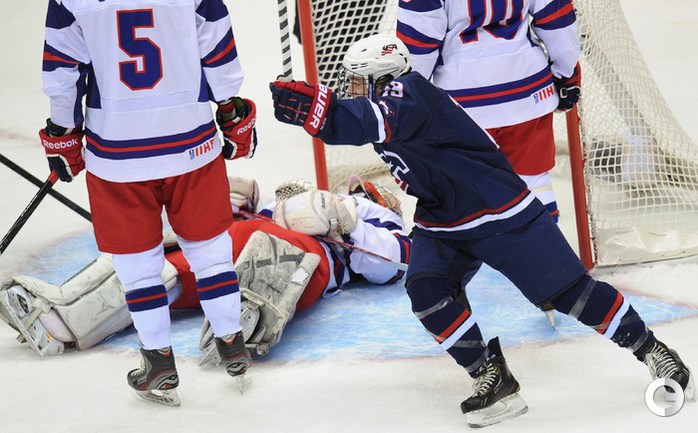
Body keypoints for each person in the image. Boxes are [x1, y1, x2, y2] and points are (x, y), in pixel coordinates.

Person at [268, 34, 694, 427]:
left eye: (359, 81)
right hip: (443, 218)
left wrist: (322, 110)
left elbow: (362, 120)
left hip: (497, 209)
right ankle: (492, 377)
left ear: (383, 78)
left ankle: (652, 350)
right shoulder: (394, 101)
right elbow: (366, 122)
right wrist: (325, 113)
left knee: (573, 295)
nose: (352, 88)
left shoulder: (409, 92)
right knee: (427, 291)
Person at [39, 0, 258, 406]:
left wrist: (62, 131)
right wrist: (230, 107)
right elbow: (216, 42)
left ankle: (158, 361)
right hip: (191, 142)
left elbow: (63, 69)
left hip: (117, 154)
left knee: (138, 267)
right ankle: (232, 341)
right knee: (210, 251)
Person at [0, 176, 409, 364]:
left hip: (310, 259)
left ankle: (248, 311)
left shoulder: (375, 217)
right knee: (163, 268)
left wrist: (349, 223)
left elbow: (398, 262)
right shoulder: (300, 199)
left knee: (272, 252)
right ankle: (62, 317)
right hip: (245, 235)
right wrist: (234, 202)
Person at [397, 0, 582, 222]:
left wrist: (409, 100)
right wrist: (566, 73)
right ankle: (545, 243)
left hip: (462, 105)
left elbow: (418, 44)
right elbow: (557, 19)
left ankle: (484, 244)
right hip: (527, 93)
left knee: (469, 193)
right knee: (532, 181)